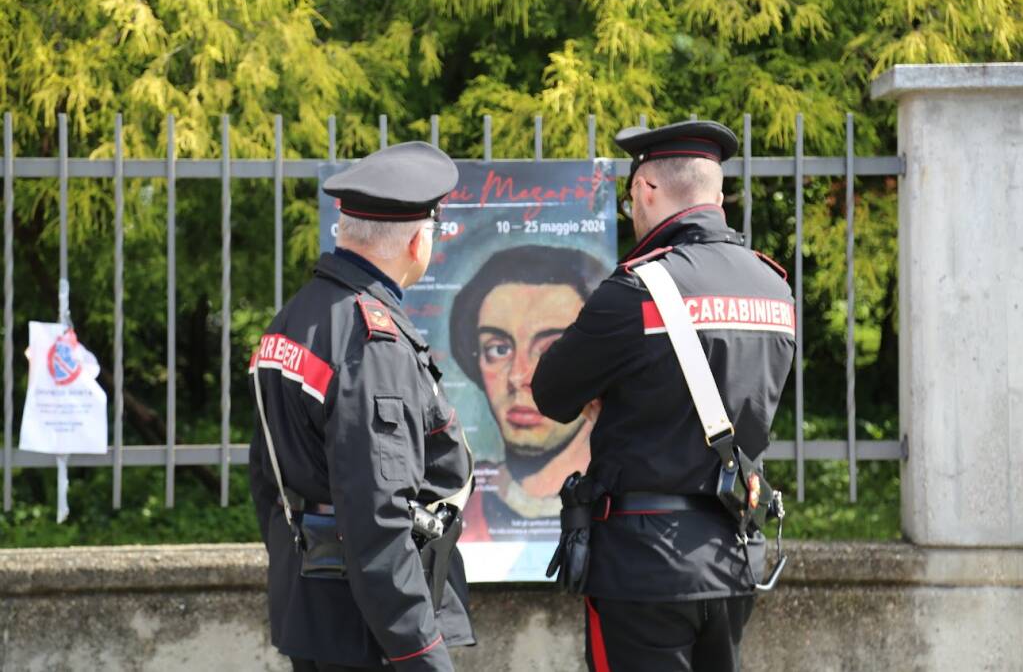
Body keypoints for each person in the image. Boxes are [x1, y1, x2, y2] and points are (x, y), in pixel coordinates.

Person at [532, 120, 796, 672]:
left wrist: (606, 396)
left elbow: (552, 393)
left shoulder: (635, 290)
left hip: (642, 565)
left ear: (645, 189)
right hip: (733, 556)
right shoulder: (775, 289)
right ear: (716, 197)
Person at [248, 141, 475, 672]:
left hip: (316, 606)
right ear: (417, 241)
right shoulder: (371, 343)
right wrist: (422, 655)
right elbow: (379, 517)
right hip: (370, 629)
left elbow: (266, 481)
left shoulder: (295, 319)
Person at [448, 246, 606, 541]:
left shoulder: (623, 502)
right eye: (498, 349)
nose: (518, 377)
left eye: (551, 349)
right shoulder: (458, 505)